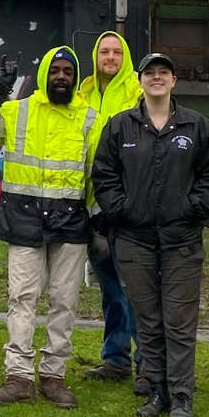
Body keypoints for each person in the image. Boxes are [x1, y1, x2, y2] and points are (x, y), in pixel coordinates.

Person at [0, 46, 100, 409]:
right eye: (55, 70)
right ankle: (19, 376)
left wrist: (98, 221)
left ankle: (54, 376)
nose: (61, 77)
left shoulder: (89, 118)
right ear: (44, 76)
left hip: (71, 221)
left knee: (64, 301)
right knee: (21, 298)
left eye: (68, 72)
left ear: (74, 78)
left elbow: (97, 173)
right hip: (24, 219)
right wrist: (0, 86)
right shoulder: (16, 111)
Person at [92, 53, 209, 417]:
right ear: (139, 81)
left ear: (173, 80)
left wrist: (193, 206)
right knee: (148, 319)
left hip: (181, 240)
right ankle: (156, 390)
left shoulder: (195, 125)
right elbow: (104, 174)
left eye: (163, 72)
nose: (156, 78)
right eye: (149, 73)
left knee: (179, 321)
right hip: (134, 240)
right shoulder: (120, 127)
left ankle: (182, 394)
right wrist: (120, 210)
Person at [77, 30, 145, 389]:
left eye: (117, 52)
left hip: (127, 205)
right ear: (95, 55)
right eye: (104, 51)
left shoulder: (138, 91)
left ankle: (146, 363)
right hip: (91, 205)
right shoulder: (83, 91)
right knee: (110, 289)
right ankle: (115, 358)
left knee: (136, 287)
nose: (111, 57)